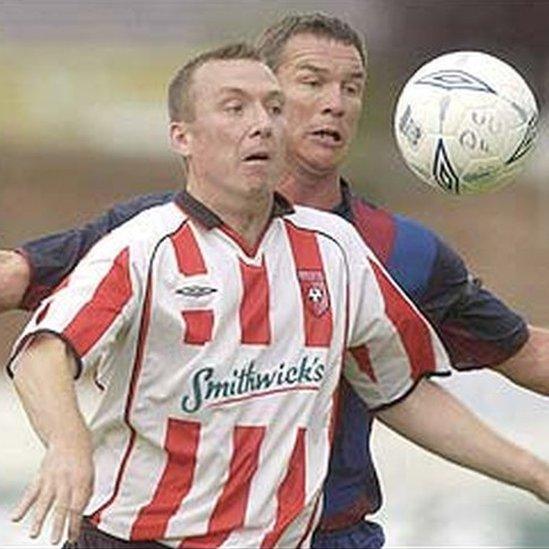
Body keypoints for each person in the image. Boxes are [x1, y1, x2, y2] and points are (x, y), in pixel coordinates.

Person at [2, 13, 549, 548]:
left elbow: (405, 389)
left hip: (322, 532)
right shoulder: (142, 240)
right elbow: (40, 343)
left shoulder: (348, 252)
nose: (333, 102)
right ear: (184, 136)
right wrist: (67, 442)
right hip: (142, 535)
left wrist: (535, 473)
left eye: (351, 87)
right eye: (309, 83)